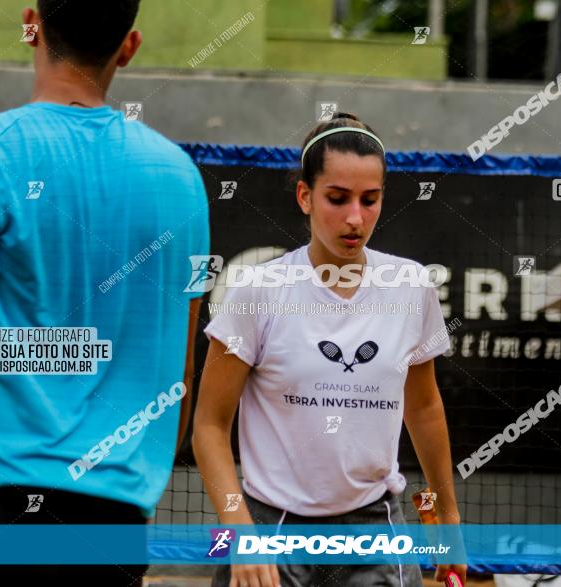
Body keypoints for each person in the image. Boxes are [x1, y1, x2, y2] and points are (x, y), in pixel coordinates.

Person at [0, 1, 209, 585]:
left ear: (30, 24)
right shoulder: (182, 177)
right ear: (129, 46)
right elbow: (178, 378)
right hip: (110, 519)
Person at [193, 112, 466, 586]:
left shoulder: (410, 285)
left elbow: (424, 408)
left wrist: (449, 519)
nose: (355, 218)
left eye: (370, 199)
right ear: (305, 196)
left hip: (376, 530)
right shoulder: (259, 289)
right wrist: (239, 532)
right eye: (337, 199)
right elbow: (209, 426)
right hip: (269, 528)